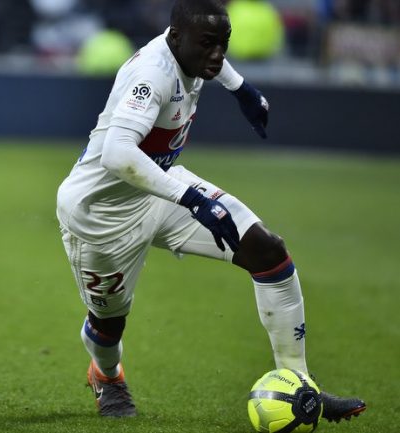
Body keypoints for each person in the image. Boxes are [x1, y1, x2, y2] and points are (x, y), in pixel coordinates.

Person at [55, 0, 367, 421]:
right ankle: (107, 375)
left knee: (267, 250)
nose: (218, 55)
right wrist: (193, 200)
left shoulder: (195, 54)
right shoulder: (152, 75)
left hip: (158, 187)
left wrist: (241, 89)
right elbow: (116, 152)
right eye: (209, 45)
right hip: (101, 214)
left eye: (225, 44)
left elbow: (212, 56)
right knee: (109, 322)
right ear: (175, 37)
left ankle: (299, 385)